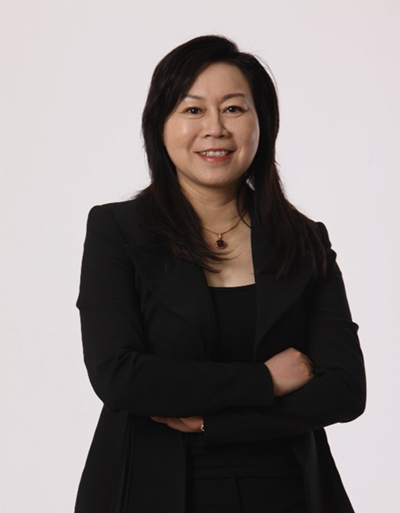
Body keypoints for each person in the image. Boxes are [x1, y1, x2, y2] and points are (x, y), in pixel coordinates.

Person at [74, 35, 366, 513]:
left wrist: (217, 423)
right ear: (160, 125)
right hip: (150, 489)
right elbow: (119, 376)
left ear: (262, 122)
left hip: (289, 490)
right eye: (193, 110)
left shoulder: (304, 240)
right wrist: (264, 381)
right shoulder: (118, 230)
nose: (215, 128)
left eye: (233, 109)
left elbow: (345, 390)